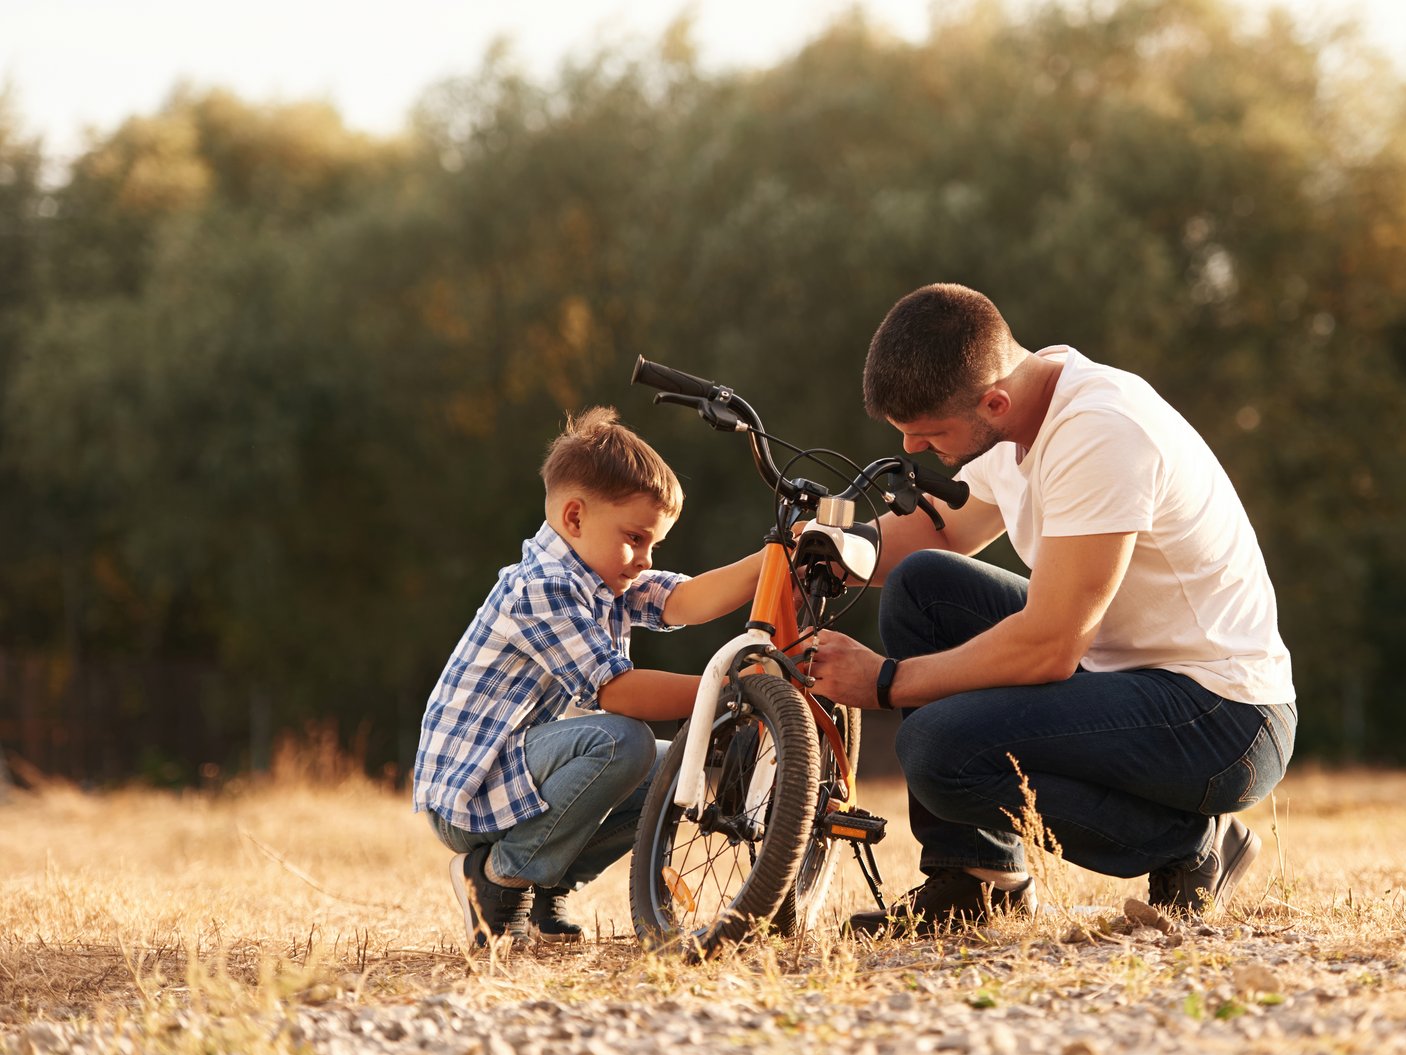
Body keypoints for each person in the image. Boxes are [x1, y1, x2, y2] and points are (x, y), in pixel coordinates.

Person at [809, 284, 1296, 936]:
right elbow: (937, 534)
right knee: (924, 586)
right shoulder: (1024, 414)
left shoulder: (1099, 431)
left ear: (992, 402)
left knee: (935, 749)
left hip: (1221, 718)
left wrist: (885, 682)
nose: (916, 451)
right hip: (1128, 678)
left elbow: (1050, 644)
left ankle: (1194, 845)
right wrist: (795, 558)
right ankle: (978, 882)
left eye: (928, 435)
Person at [413, 407, 762, 949]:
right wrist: (727, 686)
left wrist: (773, 559)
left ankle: (544, 890)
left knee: (669, 766)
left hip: (525, 777)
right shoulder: (543, 586)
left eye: (654, 546)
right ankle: (496, 878)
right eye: (636, 538)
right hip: (473, 793)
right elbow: (618, 693)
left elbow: (688, 600)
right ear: (575, 518)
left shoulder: (605, 580)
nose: (644, 560)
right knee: (625, 740)